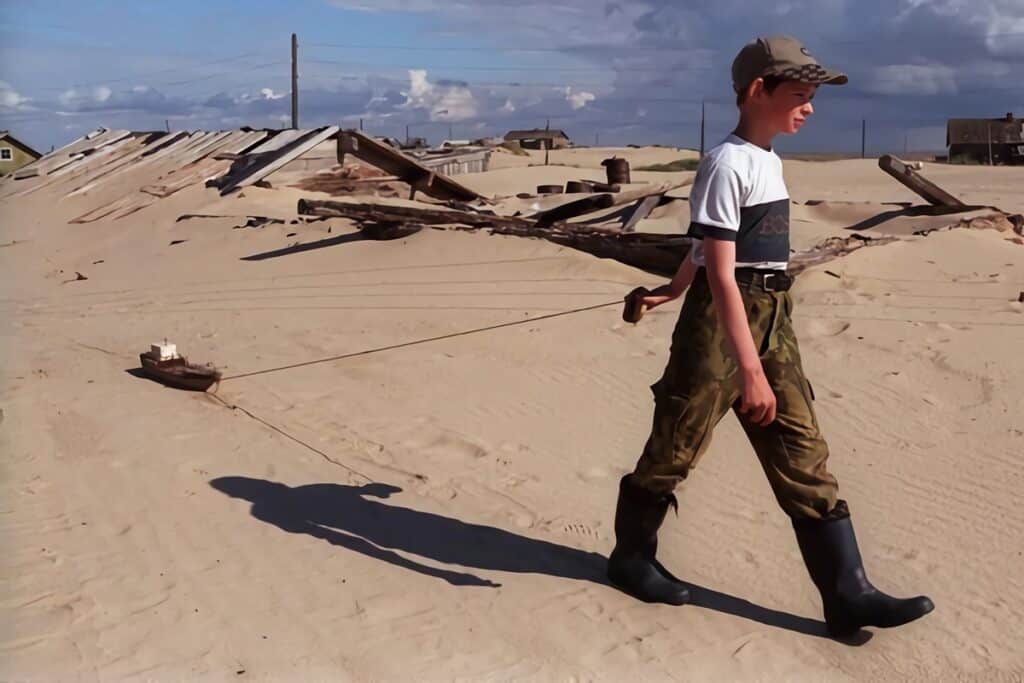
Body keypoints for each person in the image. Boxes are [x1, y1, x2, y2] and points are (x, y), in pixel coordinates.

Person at [607, 35, 934, 638]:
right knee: (676, 444)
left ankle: (849, 593)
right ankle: (630, 558)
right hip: (722, 323)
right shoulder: (726, 162)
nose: (809, 108)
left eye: (813, 96)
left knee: (802, 444)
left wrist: (670, 289)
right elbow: (723, 275)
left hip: (770, 315)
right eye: (800, 95)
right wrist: (747, 366)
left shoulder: (767, 159)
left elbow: (705, 248)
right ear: (759, 91)